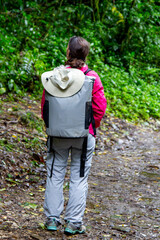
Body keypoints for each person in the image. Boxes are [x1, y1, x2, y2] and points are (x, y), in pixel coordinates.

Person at [41, 36, 107, 235]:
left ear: (68, 53)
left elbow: (46, 106)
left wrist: (52, 127)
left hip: (57, 136)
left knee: (54, 175)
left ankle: (52, 219)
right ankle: (73, 222)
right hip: (83, 135)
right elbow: (99, 108)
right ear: (85, 55)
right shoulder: (92, 77)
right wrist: (89, 127)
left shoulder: (55, 76)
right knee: (79, 178)